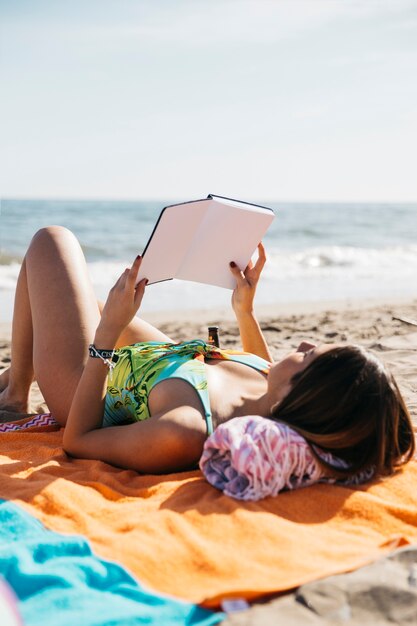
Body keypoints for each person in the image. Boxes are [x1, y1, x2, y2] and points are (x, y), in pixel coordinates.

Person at [0, 226, 414, 479]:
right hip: (162, 360)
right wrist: (244, 311)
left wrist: (107, 333)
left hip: (85, 390)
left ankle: (16, 393)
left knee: (52, 241)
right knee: (72, 298)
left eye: (309, 358)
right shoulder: (270, 395)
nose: (305, 345)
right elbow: (265, 367)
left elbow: (79, 440)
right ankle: (17, 374)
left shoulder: (186, 429)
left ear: (297, 398)